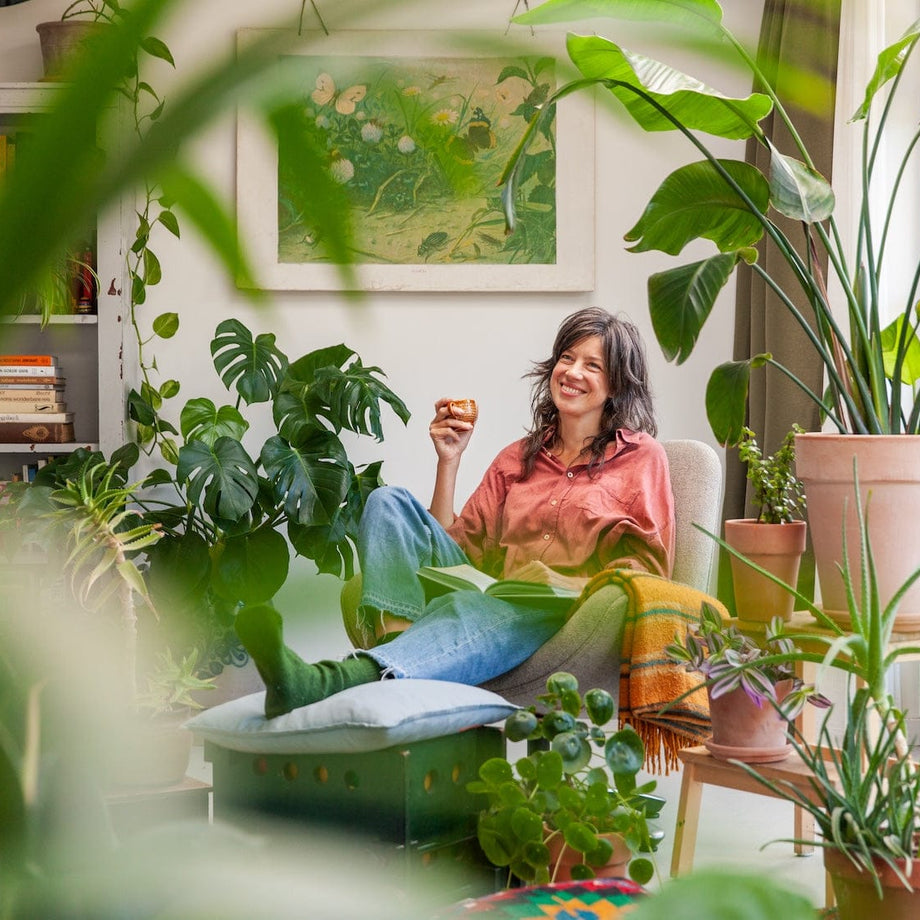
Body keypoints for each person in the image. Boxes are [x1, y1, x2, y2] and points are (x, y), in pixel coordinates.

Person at [236, 307, 675, 718]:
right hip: (490, 590)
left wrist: (564, 583)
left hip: (555, 615)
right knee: (387, 502)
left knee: (481, 605)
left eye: (592, 365)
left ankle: (324, 681)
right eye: (567, 358)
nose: (573, 372)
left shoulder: (640, 459)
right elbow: (455, 551)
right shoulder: (517, 458)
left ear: (617, 385)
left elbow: (649, 571)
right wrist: (449, 460)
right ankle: (400, 664)